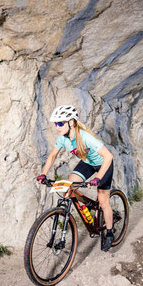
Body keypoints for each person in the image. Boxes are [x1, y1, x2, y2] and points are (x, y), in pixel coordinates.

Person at [36, 105, 115, 251]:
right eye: (55, 124)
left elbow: (108, 157)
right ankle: (88, 206)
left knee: (104, 203)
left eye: (60, 123)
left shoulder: (85, 137)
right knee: (68, 189)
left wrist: (98, 178)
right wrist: (44, 174)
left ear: (71, 122)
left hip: (103, 164)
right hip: (87, 163)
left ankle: (109, 233)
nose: (57, 127)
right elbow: (52, 156)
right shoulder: (62, 138)